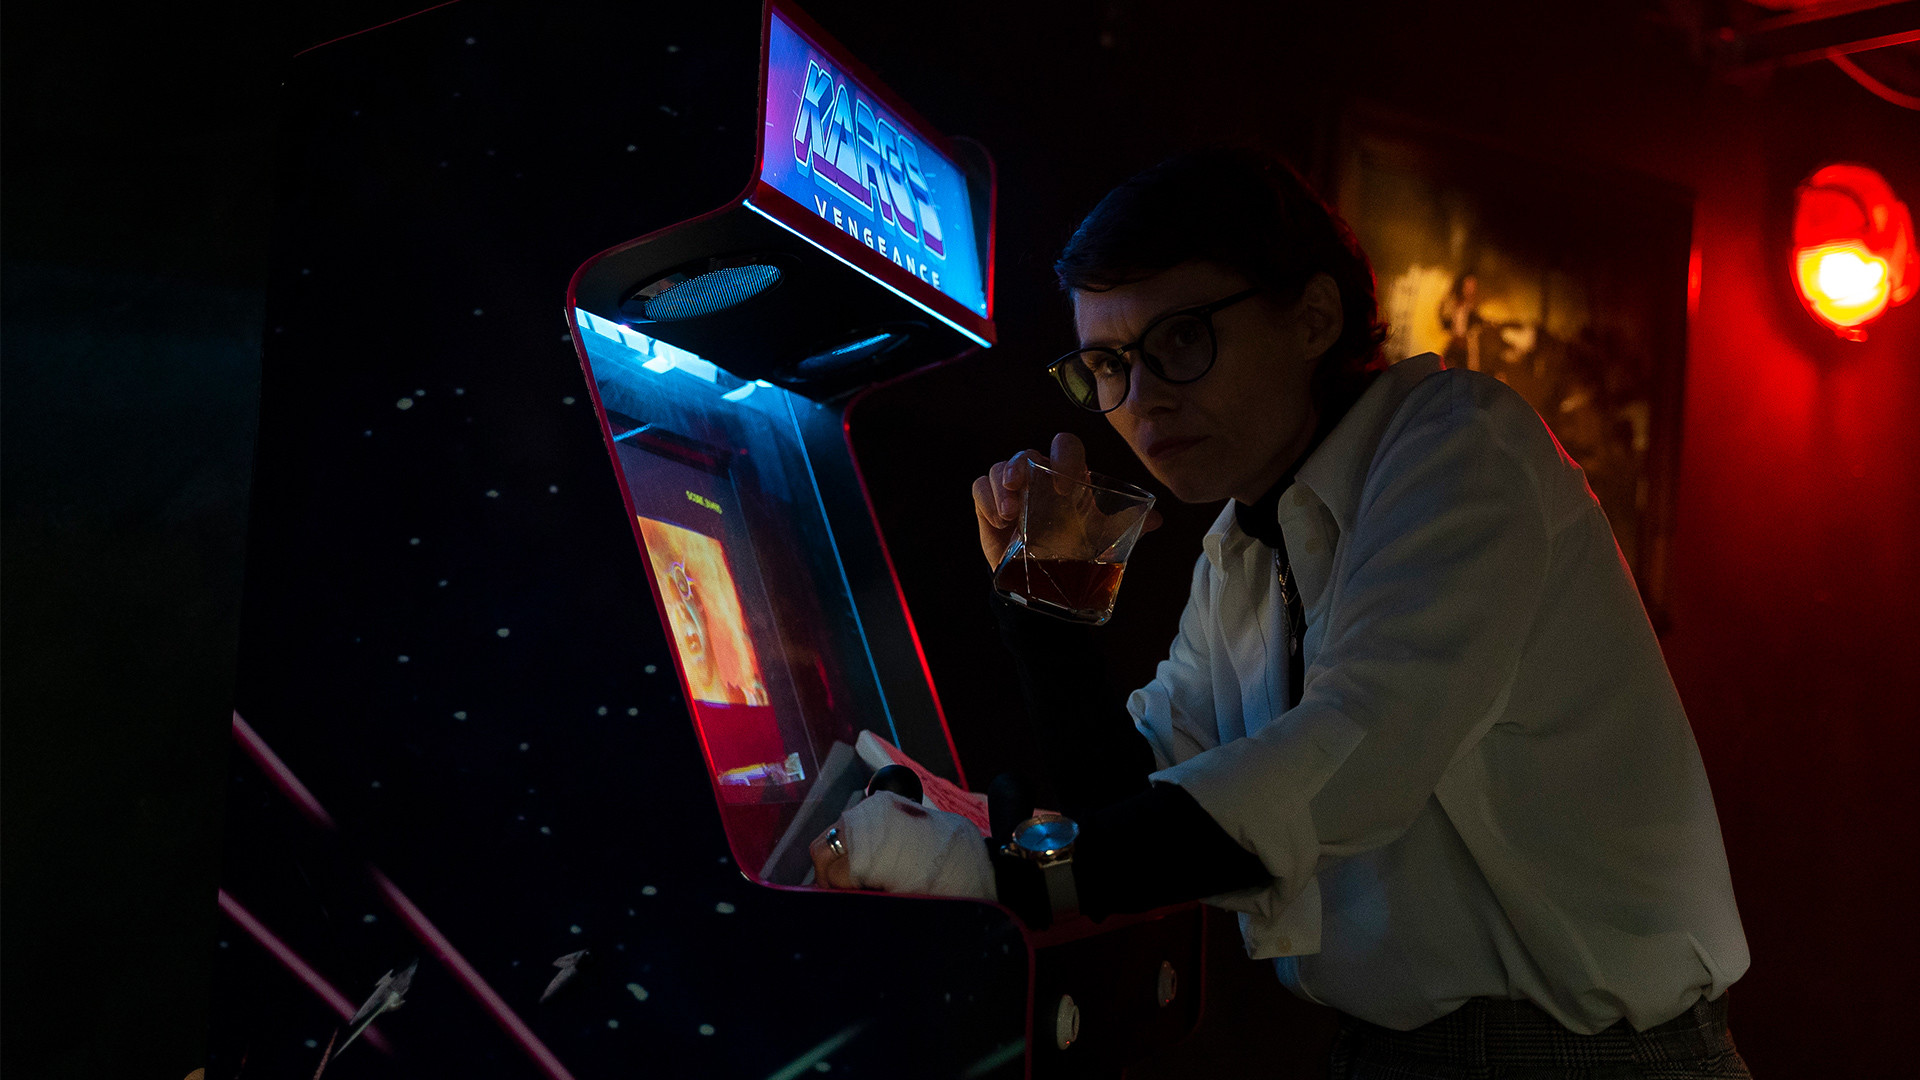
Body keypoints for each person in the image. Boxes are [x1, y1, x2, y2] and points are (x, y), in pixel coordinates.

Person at [810, 147, 1751, 1078]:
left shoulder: (1459, 445)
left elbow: (1354, 754)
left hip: (1580, 1058)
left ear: (1313, 317)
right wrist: (1045, 601)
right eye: (1107, 363)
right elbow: (1130, 801)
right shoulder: (1244, 546)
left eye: (1181, 340)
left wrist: (997, 874)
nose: (1141, 401)